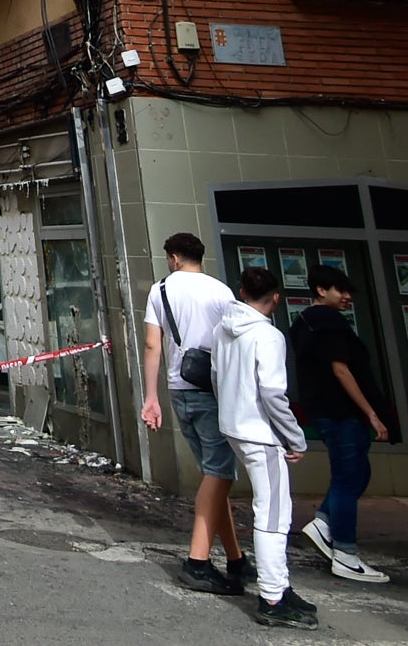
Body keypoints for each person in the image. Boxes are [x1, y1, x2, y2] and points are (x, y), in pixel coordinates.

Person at [140, 231, 251, 595]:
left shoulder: (161, 291)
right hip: (212, 390)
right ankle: (198, 562)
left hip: (178, 388)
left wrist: (150, 398)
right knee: (219, 474)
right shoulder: (221, 292)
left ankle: (235, 559)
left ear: (173, 258)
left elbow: (151, 344)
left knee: (212, 475)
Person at [218, 266, 318, 630]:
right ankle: (273, 596)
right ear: (276, 297)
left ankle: (279, 587)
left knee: (269, 510)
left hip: (233, 425)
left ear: (242, 291)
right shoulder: (268, 336)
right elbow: (274, 395)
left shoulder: (223, 328)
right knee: (274, 516)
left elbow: (216, 375)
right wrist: (295, 437)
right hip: (261, 433)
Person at [290, 266, 395, 584]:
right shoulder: (329, 322)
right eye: (340, 290)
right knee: (350, 479)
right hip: (340, 411)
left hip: (324, 410)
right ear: (322, 290)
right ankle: (345, 554)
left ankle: (324, 522)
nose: (348, 296)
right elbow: (341, 370)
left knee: (355, 473)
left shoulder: (303, 321)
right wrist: (371, 413)